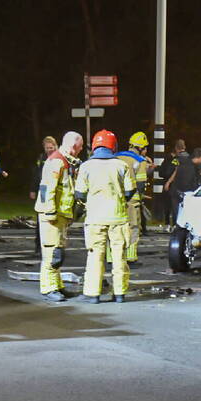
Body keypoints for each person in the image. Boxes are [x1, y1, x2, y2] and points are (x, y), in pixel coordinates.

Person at [74, 130, 135, 304]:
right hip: (118, 217)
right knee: (119, 257)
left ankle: (93, 294)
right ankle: (120, 293)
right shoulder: (122, 165)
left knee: (95, 256)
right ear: (113, 146)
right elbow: (130, 191)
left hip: (95, 219)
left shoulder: (86, 166)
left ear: (94, 145)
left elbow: (79, 194)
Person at [33, 131, 83, 302]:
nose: (81, 150)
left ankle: (57, 285)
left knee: (57, 252)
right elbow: (47, 188)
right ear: (74, 146)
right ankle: (48, 288)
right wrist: (50, 212)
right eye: (80, 146)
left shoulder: (63, 161)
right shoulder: (57, 161)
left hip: (60, 214)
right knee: (52, 253)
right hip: (53, 215)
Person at [115, 131, 152, 263]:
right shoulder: (140, 161)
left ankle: (111, 256)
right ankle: (130, 257)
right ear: (140, 148)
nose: (146, 150)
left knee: (114, 228)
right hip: (132, 200)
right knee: (133, 227)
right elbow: (140, 183)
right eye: (145, 147)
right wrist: (140, 198)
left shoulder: (116, 157)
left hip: (115, 199)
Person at [30, 136, 58, 252]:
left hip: (56, 190)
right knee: (40, 217)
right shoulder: (41, 158)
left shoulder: (59, 158)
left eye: (51, 147)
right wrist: (33, 189)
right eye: (47, 148)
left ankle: (55, 244)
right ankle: (39, 244)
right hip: (43, 189)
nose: (49, 150)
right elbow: (36, 174)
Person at [164, 143, 199, 220]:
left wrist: (168, 182)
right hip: (189, 188)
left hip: (176, 187)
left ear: (176, 148)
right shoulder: (190, 159)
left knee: (176, 208)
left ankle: (176, 224)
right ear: (184, 147)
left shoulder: (176, 159)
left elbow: (169, 172)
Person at [156, 141, 183, 227]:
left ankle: (168, 224)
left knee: (168, 205)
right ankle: (173, 224)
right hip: (173, 185)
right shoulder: (176, 160)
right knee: (174, 205)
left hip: (167, 184)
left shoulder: (168, 159)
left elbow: (161, 172)